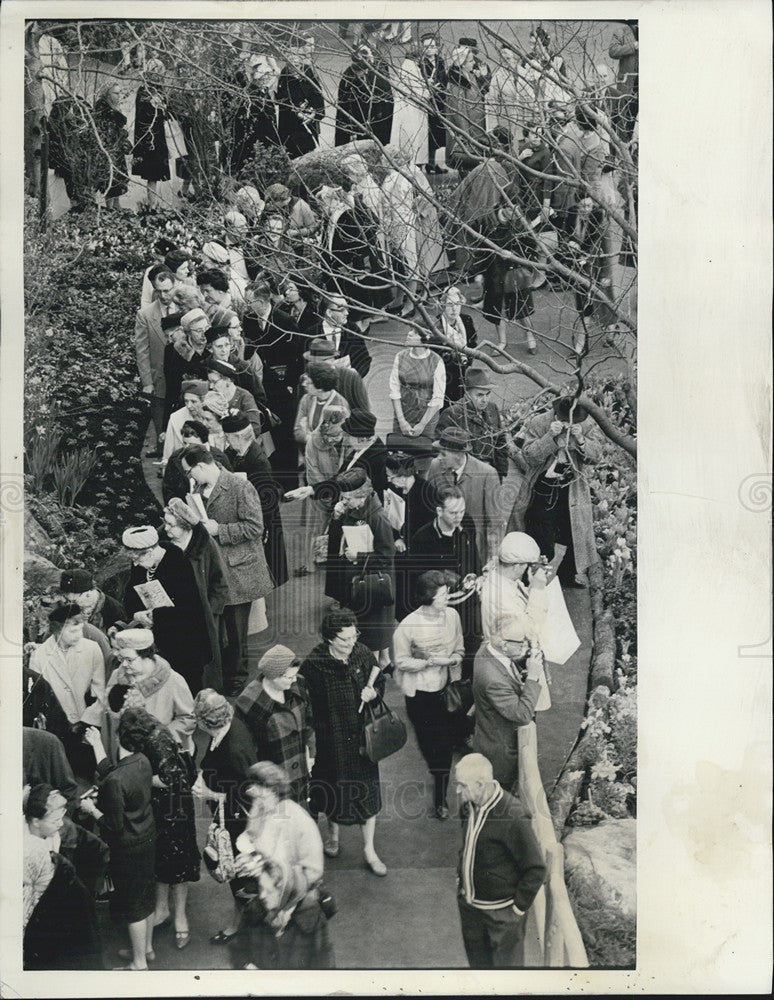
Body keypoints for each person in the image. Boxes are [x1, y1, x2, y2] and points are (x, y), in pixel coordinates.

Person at [298, 609, 387, 876]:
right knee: (330, 791)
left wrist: (373, 693)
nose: (351, 642)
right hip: (330, 741)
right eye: (344, 638)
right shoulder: (314, 664)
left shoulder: (362, 653)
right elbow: (304, 702)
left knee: (368, 794)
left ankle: (369, 849)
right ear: (329, 638)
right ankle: (333, 835)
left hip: (362, 741)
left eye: (354, 635)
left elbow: (379, 680)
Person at [182, 446, 274, 695]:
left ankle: (237, 679)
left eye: (190, 471)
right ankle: (223, 676)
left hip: (238, 570)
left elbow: (255, 527)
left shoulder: (239, 486)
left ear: (201, 466)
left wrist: (218, 530)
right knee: (219, 629)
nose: (189, 477)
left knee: (236, 633)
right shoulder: (199, 488)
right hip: (216, 569)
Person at [108, 706, 200, 950]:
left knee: (178, 866)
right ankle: (162, 911)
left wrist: (138, 777)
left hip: (174, 811)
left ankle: (180, 917)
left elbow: (172, 779)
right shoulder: (158, 731)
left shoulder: (157, 742)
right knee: (163, 864)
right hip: (165, 809)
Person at [229, 762, 334, 970]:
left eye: (261, 796)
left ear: (275, 791)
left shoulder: (300, 821)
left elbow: (313, 871)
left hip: (295, 902)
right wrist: (254, 861)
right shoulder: (261, 809)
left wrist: (279, 882)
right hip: (269, 894)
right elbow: (252, 839)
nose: (256, 802)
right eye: (254, 796)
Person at [452, 753, 546, 968]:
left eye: (462, 786)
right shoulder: (469, 807)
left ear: (480, 785)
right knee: (479, 972)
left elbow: (536, 869)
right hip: (470, 909)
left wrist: (517, 910)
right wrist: (461, 877)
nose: (457, 791)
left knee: (506, 978)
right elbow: (469, 844)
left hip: (502, 917)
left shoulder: (513, 816)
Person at [80, 719, 156, 970]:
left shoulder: (115, 781)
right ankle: (146, 949)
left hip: (128, 848)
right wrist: (96, 746)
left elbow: (113, 826)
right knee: (146, 897)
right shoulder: (143, 760)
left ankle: (139, 964)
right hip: (147, 838)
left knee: (133, 907)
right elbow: (114, 772)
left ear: (118, 738)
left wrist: (91, 809)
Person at [393, 571, 464, 819]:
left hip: (444, 693)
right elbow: (400, 661)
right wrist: (428, 662)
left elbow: (460, 648)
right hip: (419, 696)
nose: (448, 598)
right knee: (429, 746)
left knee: (443, 748)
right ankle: (437, 771)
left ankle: (440, 796)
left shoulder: (453, 616)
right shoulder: (408, 626)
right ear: (429, 597)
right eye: (443, 594)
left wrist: (454, 659)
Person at [510, 396, 601, 587]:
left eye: (573, 421)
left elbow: (596, 457)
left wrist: (581, 440)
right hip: (543, 485)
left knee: (571, 532)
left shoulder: (586, 425)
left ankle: (567, 576)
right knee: (540, 531)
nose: (569, 424)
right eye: (565, 420)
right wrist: (549, 437)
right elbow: (529, 457)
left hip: (572, 487)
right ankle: (533, 577)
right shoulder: (540, 422)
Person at [192, 689, 258, 946]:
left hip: (239, 825)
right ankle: (244, 925)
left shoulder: (233, 749)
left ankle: (244, 931)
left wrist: (209, 792)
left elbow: (247, 795)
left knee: (243, 879)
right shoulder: (231, 727)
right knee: (244, 879)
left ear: (204, 723)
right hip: (233, 818)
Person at [122, 525, 212, 694]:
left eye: (137, 560)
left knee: (186, 690)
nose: (134, 564)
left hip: (185, 643)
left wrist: (155, 615)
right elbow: (130, 595)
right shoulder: (141, 563)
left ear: (149, 552)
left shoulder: (178, 565)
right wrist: (137, 613)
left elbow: (190, 610)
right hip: (160, 642)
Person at [23, 785, 102, 971]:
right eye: (54, 820)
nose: (60, 824)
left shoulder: (52, 832)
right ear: (35, 821)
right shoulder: (27, 850)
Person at [409, 485, 482, 681]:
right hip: (442, 611)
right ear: (439, 511)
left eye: (462, 510)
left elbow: (474, 555)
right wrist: (442, 578)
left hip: (469, 606)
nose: (459, 517)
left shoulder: (467, 523)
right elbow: (416, 581)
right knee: (443, 659)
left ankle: (466, 692)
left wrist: (479, 575)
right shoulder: (422, 538)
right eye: (453, 512)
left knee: (470, 653)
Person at [325, 468, 396, 669]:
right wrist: (337, 518)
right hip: (362, 582)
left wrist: (359, 556)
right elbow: (337, 541)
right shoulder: (352, 509)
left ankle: (373, 674)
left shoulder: (377, 518)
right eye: (343, 497)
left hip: (373, 584)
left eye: (348, 498)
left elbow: (387, 555)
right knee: (375, 633)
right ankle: (384, 662)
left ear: (362, 495)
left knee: (372, 635)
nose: (344, 502)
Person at [94, 627, 197, 760]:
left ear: (146, 655)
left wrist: (159, 737)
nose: (124, 664)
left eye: (129, 660)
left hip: (160, 755)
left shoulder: (173, 680)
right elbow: (107, 713)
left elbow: (188, 718)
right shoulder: (116, 676)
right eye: (121, 658)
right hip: (126, 756)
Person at [28, 602, 105, 776]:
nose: (79, 635)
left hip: (86, 723)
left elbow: (100, 690)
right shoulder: (39, 656)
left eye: (80, 629)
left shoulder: (92, 649)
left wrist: (86, 721)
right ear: (57, 630)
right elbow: (39, 698)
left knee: (86, 772)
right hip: (57, 727)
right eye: (72, 631)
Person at [162, 497, 231, 693]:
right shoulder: (164, 545)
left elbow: (220, 582)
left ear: (185, 526)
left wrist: (211, 612)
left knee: (205, 669)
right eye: (165, 522)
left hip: (202, 618)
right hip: (173, 617)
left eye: (171, 525)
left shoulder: (205, 545)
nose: (166, 529)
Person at [471, 616, 545, 793]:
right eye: (521, 643)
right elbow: (522, 715)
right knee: (502, 802)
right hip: (501, 754)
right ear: (504, 645)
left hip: (488, 736)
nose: (525, 646)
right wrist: (533, 676)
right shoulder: (493, 680)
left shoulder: (486, 648)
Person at [234, 646, 315, 807]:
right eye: (289, 677)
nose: (294, 680)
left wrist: (311, 752)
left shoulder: (298, 684)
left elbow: (309, 720)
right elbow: (248, 751)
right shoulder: (248, 703)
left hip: (302, 772)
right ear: (272, 676)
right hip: (274, 780)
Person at [222, 413, 289, 588]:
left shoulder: (258, 461)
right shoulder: (234, 452)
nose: (226, 440)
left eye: (228, 437)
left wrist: (262, 526)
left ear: (237, 437)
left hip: (260, 516)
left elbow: (266, 499)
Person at [426, 426, 504, 564]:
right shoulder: (435, 466)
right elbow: (430, 507)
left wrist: (493, 557)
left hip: (472, 549)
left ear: (457, 454)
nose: (439, 458)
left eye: (443, 454)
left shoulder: (487, 474)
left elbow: (494, 522)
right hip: (441, 547)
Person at [436, 367, 513, 480]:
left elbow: (500, 441)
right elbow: (442, 450)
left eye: (488, 394)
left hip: (491, 473)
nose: (485, 400)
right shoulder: (452, 414)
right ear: (467, 393)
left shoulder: (492, 408)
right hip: (464, 476)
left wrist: (500, 473)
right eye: (480, 395)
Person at [383, 452, 436, 618]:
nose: (389, 480)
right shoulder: (394, 489)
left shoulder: (427, 493)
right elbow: (389, 516)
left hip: (420, 557)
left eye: (391, 477)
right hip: (403, 554)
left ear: (404, 476)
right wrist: (396, 537)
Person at [135, 267, 179, 457]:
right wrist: (147, 382)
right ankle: (162, 452)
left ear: (175, 286)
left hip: (181, 375)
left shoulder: (187, 308)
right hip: (159, 376)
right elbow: (142, 350)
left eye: (167, 290)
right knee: (160, 417)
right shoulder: (145, 315)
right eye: (159, 290)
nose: (163, 295)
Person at [389, 326, 446, 445]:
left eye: (415, 333)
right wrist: (401, 421)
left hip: (427, 418)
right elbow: (394, 391)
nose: (409, 334)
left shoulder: (437, 361)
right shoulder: (400, 356)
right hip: (403, 415)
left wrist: (422, 425)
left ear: (427, 337)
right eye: (410, 330)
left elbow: (438, 398)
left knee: (424, 455)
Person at [276, 32, 325, 158]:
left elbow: (317, 93)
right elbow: (283, 100)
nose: (295, 66)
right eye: (291, 63)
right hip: (293, 126)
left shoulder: (308, 71)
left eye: (297, 63)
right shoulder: (284, 75)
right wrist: (298, 113)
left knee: (313, 154)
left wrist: (315, 112)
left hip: (310, 120)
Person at [335, 41, 394, 146]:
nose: (366, 72)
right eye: (362, 70)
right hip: (359, 121)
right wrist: (350, 130)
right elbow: (344, 107)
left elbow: (386, 95)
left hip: (378, 120)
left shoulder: (376, 72)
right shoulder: (348, 79)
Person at [445, 38, 489, 177]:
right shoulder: (456, 83)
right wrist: (466, 137)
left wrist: (483, 78)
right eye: (470, 61)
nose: (473, 63)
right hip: (467, 135)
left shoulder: (471, 76)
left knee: (477, 171)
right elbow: (459, 112)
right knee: (467, 171)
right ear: (462, 64)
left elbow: (481, 94)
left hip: (477, 130)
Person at [429, 286, 478, 405]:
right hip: (445, 377)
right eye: (450, 305)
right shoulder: (436, 326)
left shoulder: (466, 320)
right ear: (442, 306)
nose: (454, 308)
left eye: (457, 304)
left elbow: (472, 344)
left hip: (464, 373)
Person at [132, 62, 171, 211]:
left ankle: (153, 202)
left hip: (158, 136)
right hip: (148, 137)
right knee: (152, 174)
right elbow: (143, 113)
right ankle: (152, 203)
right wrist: (154, 104)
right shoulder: (144, 90)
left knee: (156, 173)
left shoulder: (159, 89)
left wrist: (163, 107)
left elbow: (166, 110)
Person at [305, 294, 372, 378]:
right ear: (329, 312)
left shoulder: (352, 330)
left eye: (347, 309)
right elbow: (304, 364)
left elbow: (364, 359)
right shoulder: (312, 333)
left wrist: (354, 375)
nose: (347, 313)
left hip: (348, 383)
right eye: (342, 310)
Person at [162, 308, 210, 424]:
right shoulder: (176, 353)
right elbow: (171, 389)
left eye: (206, 329)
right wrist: (166, 425)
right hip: (186, 408)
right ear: (187, 332)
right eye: (198, 330)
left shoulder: (214, 349)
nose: (204, 334)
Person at [301, 338, 370, 413]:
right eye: (313, 362)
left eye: (322, 361)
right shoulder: (306, 380)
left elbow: (364, 412)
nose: (317, 366)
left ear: (333, 360)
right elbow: (302, 411)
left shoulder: (351, 377)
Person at [92, 80, 132, 209]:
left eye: (119, 93)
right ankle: (110, 208)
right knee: (109, 179)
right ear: (107, 94)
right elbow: (104, 131)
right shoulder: (102, 109)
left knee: (118, 179)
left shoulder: (113, 107)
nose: (118, 96)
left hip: (116, 149)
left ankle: (116, 205)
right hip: (108, 150)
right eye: (116, 93)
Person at [294, 363, 351, 450]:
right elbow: (298, 432)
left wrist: (308, 435)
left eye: (308, 382)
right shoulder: (306, 399)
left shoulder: (340, 405)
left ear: (320, 388)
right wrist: (319, 438)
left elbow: (334, 441)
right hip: (310, 454)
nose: (303, 384)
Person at [339, 409, 389, 502]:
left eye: (348, 435)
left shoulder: (376, 460)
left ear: (361, 439)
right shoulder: (359, 449)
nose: (345, 439)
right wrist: (312, 489)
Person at [390, 51, 429, 165]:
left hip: (403, 106)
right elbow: (419, 91)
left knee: (404, 136)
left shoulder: (404, 67)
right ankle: (413, 161)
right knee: (413, 136)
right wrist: (428, 90)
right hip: (412, 108)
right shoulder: (413, 69)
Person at [205, 358, 263, 435]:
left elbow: (255, 428)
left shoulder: (244, 397)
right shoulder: (212, 396)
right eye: (210, 382)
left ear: (228, 380)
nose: (211, 386)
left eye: (214, 382)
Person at [160, 379, 209, 469]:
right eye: (186, 401)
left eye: (193, 401)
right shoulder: (176, 418)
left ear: (203, 400)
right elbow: (168, 450)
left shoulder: (212, 417)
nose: (189, 406)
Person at [419, 32, 448, 174]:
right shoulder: (420, 63)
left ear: (436, 47)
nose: (429, 49)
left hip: (439, 101)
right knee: (427, 134)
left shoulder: (440, 61)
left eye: (432, 46)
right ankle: (424, 163)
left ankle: (433, 162)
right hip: (426, 102)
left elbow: (444, 79)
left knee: (437, 134)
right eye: (426, 46)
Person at [608, 21, 638, 143]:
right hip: (627, 84)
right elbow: (613, 51)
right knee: (622, 118)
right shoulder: (621, 31)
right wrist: (633, 46)